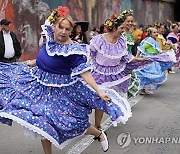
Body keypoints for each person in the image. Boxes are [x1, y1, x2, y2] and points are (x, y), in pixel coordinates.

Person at [0, 6, 131, 154]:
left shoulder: (73, 50)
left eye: (67, 29)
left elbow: (85, 73)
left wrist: (99, 92)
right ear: (54, 27)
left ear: (71, 31)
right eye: (60, 27)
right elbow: (48, 58)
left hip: (62, 90)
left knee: (71, 123)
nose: (63, 31)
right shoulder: (49, 38)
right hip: (40, 84)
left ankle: (98, 134)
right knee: (43, 123)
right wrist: (34, 62)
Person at [89, 14, 150, 130]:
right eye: (121, 28)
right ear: (113, 28)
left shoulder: (122, 41)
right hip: (99, 74)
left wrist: (140, 59)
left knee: (116, 98)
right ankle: (97, 125)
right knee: (100, 99)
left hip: (115, 74)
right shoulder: (99, 40)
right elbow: (90, 55)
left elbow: (126, 57)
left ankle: (111, 118)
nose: (123, 30)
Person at [136, 27, 174, 95]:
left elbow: (158, 51)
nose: (156, 34)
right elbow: (141, 48)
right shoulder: (149, 40)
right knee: (147, 74)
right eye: (154, 32)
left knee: (151, 74)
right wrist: (137, 57)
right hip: (148, 59)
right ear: (150, 34)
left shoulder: (155, 41)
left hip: (153, 59)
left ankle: (145, 88)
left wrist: (168, 52)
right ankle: (143, 88)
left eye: (156, 32)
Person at [121, 10, 141, 99]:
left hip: (129, 61)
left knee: (130, 80)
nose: (130, 23)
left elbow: (131, 50)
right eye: (128, 21)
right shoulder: (121, 34)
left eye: (132, 21)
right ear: (123, 22)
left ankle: (124, 102)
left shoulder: (131, 34)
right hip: (121, 62)